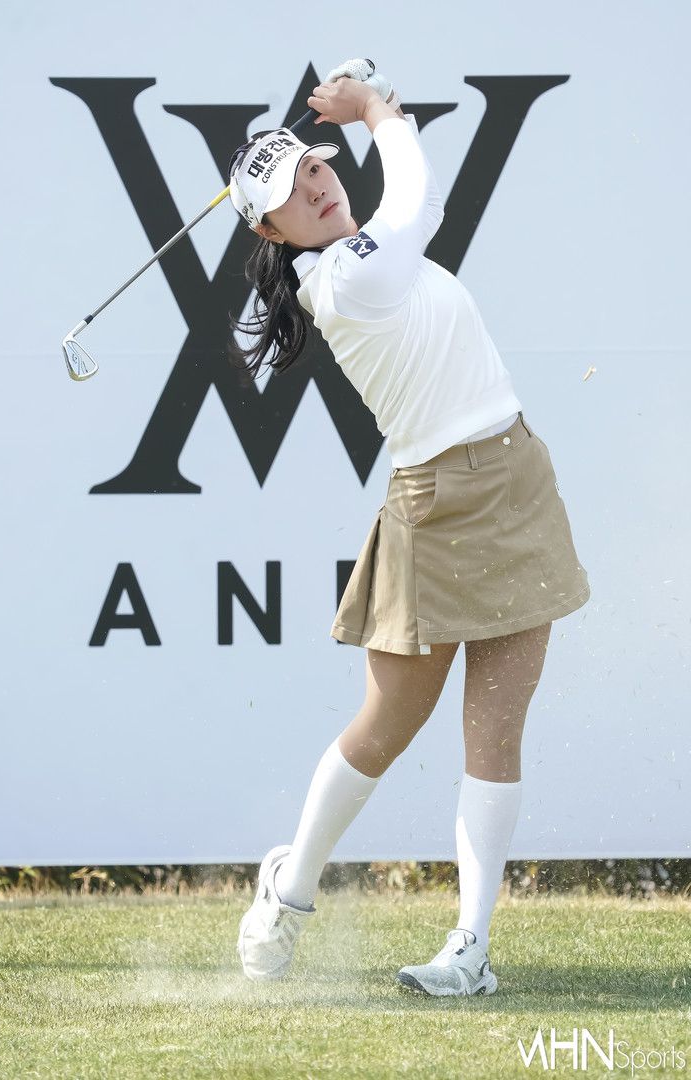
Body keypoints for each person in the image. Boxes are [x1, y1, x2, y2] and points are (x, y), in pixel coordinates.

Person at [226, 60, 591, 996]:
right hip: (434, 504)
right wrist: (374, 110)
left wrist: (375, 111)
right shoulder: (345, 279)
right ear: (270, 231)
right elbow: (417, 193)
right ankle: (289, 891)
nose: (317, 185)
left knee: (495, 731)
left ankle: (471, 948)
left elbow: (410, 203)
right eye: (293, 191)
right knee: (389, 722)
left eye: (314, 166)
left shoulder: (366, 252)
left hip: (516, 477)